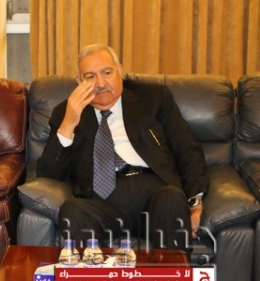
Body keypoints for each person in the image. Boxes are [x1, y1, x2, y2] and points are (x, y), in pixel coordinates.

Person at [37, 44, 207, 251]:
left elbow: (187, 149)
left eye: (107, 72)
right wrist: (69, 123)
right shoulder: (65, 113)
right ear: (79, 82)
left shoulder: (153, 98)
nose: (100, 83)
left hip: (156, 196)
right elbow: (48, 173)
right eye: (90, 77)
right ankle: (95, 272)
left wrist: (195, 203)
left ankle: (171, 273)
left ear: (121, 71)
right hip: (102, 203)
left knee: (171, 198)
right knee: (72, 210)